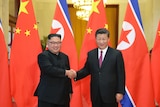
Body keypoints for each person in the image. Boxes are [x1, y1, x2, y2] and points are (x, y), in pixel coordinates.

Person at [71, 28, 125, 107]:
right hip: (96, 94)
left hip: (110, 94)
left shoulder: (116, 54)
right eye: (99, 39)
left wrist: (120, 92)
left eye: (104, 39)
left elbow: (121, 74)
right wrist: (76, 74)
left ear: (108, 39)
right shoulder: (91, 54)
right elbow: (87, 70)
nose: (101, 42)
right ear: (95, 39)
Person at [34, 33, 74, 107]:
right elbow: (49, 69)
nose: (56, 45)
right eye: (53, 43)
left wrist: (70, 92)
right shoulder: (43, 56)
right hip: (47, 97)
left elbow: (68, 78)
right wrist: (66, 72)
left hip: (63, 97)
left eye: (58, 43)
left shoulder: (65, 57)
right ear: (48, 43)